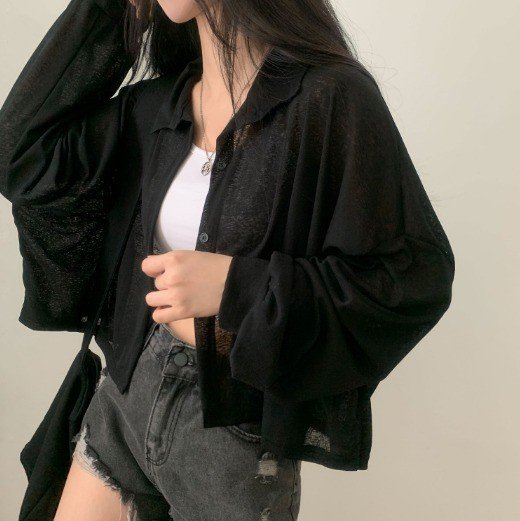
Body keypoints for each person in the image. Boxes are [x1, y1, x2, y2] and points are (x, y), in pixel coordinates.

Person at [0, 0, 455, 519]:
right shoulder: (159, 105)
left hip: (232, 442)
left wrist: (237, 287)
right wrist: (111, 9)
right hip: (125, 399)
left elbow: (412, 277)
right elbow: (20, 154)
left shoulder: (331, 98)